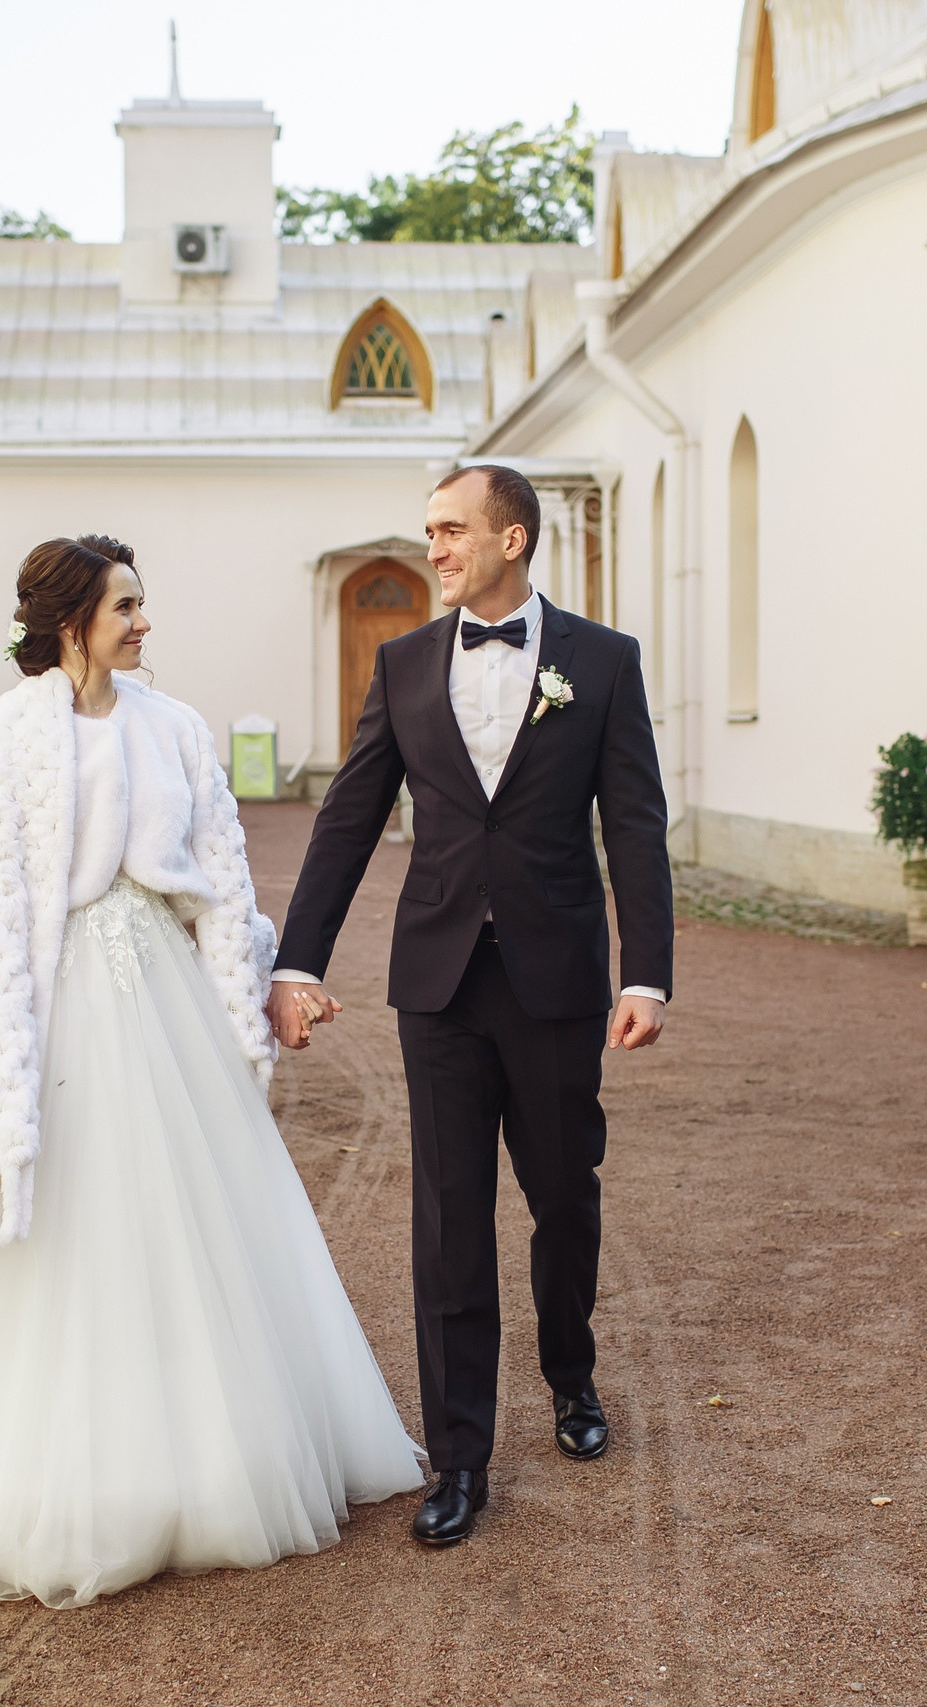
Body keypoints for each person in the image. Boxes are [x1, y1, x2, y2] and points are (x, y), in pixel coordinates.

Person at [0, 535, 424, 1608]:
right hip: (44, 1015)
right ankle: (29, 1482)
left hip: (165, 1013)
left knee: (180, 1231)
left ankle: (199, 1467)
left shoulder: (175, 729)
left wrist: (268, 977)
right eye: (125, 607)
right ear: (68, 622)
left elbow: (221, 883)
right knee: (54, 1237)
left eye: (142, 603)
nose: (144, 623)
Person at [269, 465, 672, 1547]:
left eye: (451, 530)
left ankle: (571, 1377)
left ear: (513, 537)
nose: (435, 548)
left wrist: (646, 974)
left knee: (562, 1194)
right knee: (447, 1219)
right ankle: (460, 1459)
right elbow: (348, 819)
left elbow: (634, 824)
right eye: (430, 531)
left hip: (555, 980)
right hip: (437, 982)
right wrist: (294, 961)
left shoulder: (602, 660)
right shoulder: (400, 664)